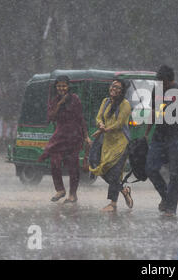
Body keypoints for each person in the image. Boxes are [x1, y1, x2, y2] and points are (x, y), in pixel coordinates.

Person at [144, 65, 178, 217]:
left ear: (170, 80)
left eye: (163, 82)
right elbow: (154, 112)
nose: (162, 85)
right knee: (150, 168)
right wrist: (147, 133)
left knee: (175, 175)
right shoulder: (157, 90)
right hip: (159, 138)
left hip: (177, 139)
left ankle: (170, 208)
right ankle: (166, 197)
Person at [38, 75, 91, 203]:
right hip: (60, 135)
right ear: (56, 87)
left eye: (64, 86)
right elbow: (51, 117)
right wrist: (60, 103)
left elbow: (81, 118)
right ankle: (60, 190)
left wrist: (86, 136)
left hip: (74, 135)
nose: (61, 88)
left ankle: (73, 194)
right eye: (59, 86)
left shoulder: (75, 99)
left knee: (73, 165)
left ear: (68, 87)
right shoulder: (54, 100)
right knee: (54, 162)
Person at [89, 79, 134, 212]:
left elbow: (119, 123)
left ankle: (112, 204)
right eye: (113, 86)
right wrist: (100, 125)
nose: (114, 89)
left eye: (118, 88)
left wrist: (104, 129)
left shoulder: (125, 104)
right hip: (107, 143)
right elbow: (98, 118)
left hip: (121, 143)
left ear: (122, 91)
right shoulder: (105, 101)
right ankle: (124, 190)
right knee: (101, 169)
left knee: (115, 173)